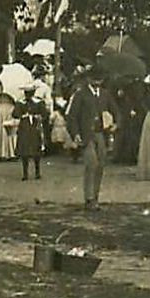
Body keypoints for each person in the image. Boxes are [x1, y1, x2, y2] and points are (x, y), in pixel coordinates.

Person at [65, 70, 109, 205]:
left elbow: (115, 110)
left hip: (101, 133)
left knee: (100, 165)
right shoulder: (80, 95)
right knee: (91, 163)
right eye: (94, 79)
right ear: (89, 79)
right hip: (86, 134)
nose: (97, 82)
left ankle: (95, 196)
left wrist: (115, 123)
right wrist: (75, 134)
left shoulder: (105, 94)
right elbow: (72, 117)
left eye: (99, 80)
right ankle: (89, 198)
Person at [15, 84, 47, 181]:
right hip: (24, 127)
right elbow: (15, 114)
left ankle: (37, 172)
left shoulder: (39, 102)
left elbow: (44, 114)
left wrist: (39, 117)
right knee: (24, 150)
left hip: (35, 126)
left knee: (36, 149)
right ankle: (25, 173)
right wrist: (23, 115)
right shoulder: (20, 102)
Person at [0, 86, 17, 161]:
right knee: (9, 134)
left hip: (0, 113)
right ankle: (10, 153)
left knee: (0, 133)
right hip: (9, 111)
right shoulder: (10, 101)